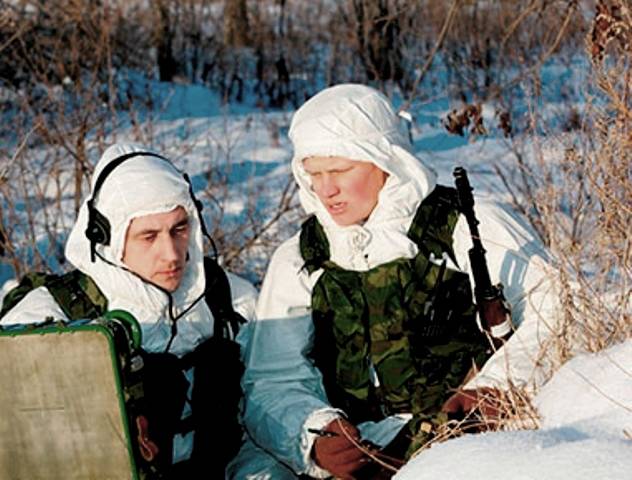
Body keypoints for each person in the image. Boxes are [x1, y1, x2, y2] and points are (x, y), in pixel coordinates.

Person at [228, 84, 559, 479]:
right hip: (357, 458)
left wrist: (494, 389)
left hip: (466, 445)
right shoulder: (302, 257)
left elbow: (553, 311)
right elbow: (273, 378)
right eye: (313, 173)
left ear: (385, 159)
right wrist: (314, 437)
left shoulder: (466, 227)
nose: (326, 189)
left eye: (340, 170)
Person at [0, 143, 257, 477]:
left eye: (179, 229)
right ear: (106, 236)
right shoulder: (50, 319)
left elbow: (263, 411)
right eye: (148, 236)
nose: (171, 254)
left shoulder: (229, 299)